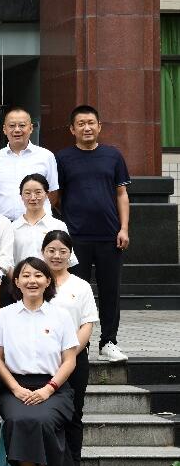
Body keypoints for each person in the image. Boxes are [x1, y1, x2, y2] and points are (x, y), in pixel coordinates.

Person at [0, 257, 79, 466]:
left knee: (44, 420)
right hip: (14, 386)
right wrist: (15, 388)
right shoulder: (5, 315)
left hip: (54, 387)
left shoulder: (60, 315)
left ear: (48, 281)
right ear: (16, 281)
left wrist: (49, 389)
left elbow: (69, 360)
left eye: (38, 275)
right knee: (19, 419)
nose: (32, 281)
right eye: (26, 275)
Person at [53, 105, 131, 363]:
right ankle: (78, 344)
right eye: (81, 124)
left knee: (110, 291)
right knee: (74, 293)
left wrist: (124, 228)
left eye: (91, 123)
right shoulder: (63, 158)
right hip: (76, 238)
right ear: (72, 129)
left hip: (110, 236)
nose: (86, 128)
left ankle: (108, 341)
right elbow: (56, 197)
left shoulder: (113, 156)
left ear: (99, 126)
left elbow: (122, 194)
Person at [41, 230, 98, 466]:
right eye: (51, 250)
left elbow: (87, 324)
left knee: (74, 412)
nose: (56, 256)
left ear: (70, 254)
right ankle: (41, 465)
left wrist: (70, 354)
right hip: (40, 359)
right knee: (42, 413)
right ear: (43, 252)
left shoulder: (80, 286)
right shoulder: (36, 281)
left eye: (62, 251)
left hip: (74, 358)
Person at [0, 107, 60, 221]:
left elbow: (53, 192)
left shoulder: (46, 156)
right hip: (5, 224)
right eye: (12, 126)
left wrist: (39, 215)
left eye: (22, 125)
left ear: (31, 128)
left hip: (38, 223)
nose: (17, 130)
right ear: (4, 129)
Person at [12, 174, 75, 265]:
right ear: (21, 196)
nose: (33, 198)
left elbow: (68, 261)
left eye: (38, 192)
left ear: (46, 194)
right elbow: (9, 263)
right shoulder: (13, 228)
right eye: (27, 193)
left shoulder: (58, 226)